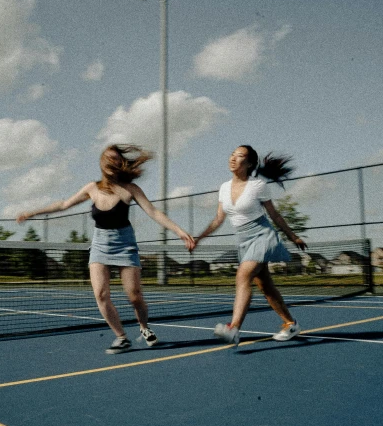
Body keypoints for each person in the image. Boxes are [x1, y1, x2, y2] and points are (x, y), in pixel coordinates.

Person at [17, 144, 195, 354]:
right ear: (102, 163)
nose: (112, 162)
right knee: (101, 294)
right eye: (108, 159)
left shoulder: (131, 189)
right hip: (100, 246)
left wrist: (179, 231)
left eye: (116, 159)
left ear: (121, 164)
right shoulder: (92, 188)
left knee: (134, 296)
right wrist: (32, 212)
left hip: (125, 245)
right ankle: (121, 337)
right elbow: (64, 204)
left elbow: (154, 213)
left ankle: (144, 327)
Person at [192, 145, 307, 345]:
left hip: (262, 235)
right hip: (243, 240)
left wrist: (293, 236)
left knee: (243, 275)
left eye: (240, 156)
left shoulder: (258, 185)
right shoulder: (224, 188)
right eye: (232, 155)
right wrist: (199, 237)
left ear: (250, 163)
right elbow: (218, 219)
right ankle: (290, 323)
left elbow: (275, 215)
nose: (233, 158)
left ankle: (234, 328)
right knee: (266, 287)